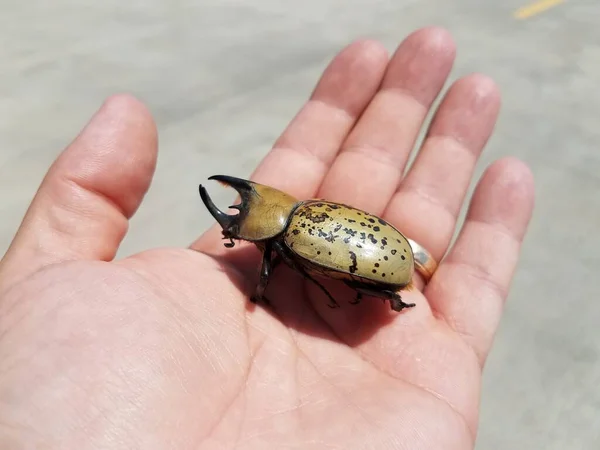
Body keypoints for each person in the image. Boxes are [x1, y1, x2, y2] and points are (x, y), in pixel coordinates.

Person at [0, 26, 534, 449]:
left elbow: (299, 271)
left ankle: (389, 294)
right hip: (371, 245)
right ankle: (390, 292)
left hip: (377, 263)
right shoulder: (297, 215)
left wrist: (275, 290)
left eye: (238, 222)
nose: (232, 224)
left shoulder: (286, 243)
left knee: (325, 269)